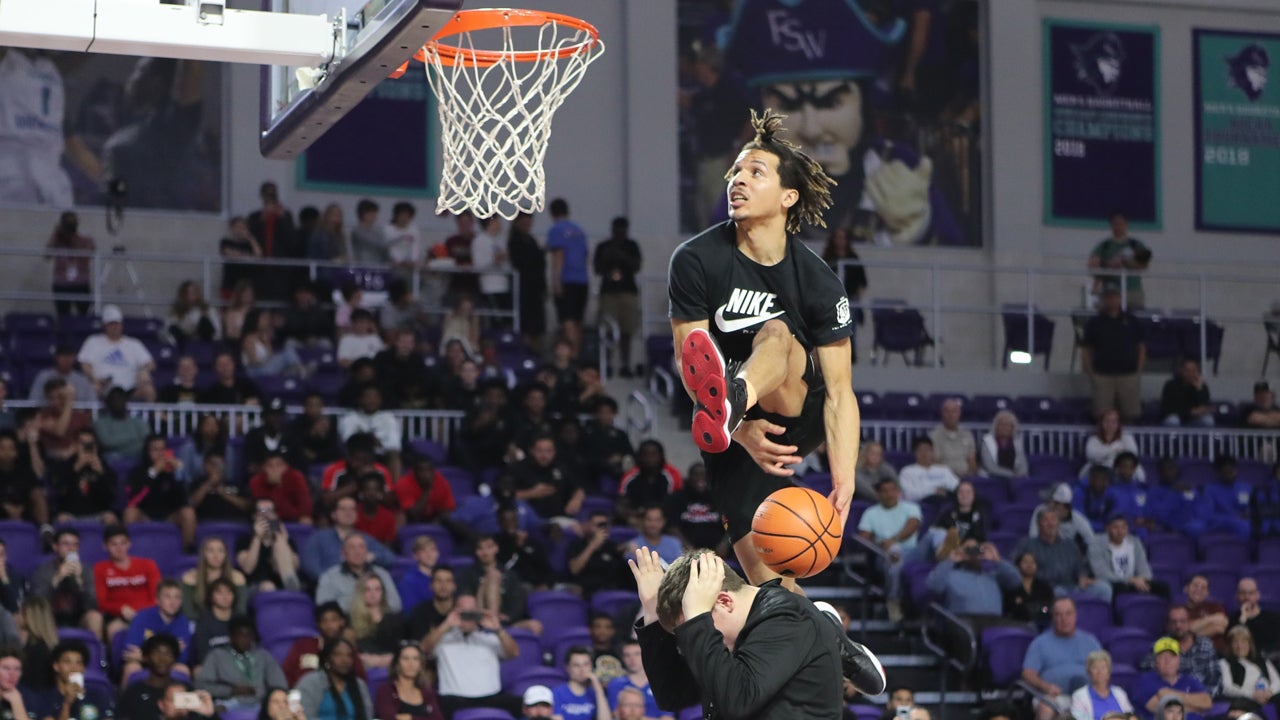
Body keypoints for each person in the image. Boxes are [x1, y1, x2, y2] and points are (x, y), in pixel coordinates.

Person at [668, 108, 859, 590]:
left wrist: (844, 478)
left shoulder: (817, 280)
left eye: (755, 172)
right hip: (732, 430)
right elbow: (689, 359)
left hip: (798, 407)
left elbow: (841, 392)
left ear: (788, 196)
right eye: (735, 171)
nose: (737, 180)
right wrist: (740, 429)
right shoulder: (695, 260)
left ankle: (732, 400)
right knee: (771, 584)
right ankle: (824, 635)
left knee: (776, 332)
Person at [630, 547, 846, 718]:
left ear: (725, 602)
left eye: (700, 622)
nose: (698, 636)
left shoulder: (787, 618)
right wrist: (653, 615)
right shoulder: (736, 631)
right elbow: (673, 695)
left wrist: (698, 619)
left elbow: (737, 702)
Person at [421, 594, 522, 717]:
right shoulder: (443, 640)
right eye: (464, 613)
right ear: (454, 612)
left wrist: (498, 629)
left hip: (490, 697)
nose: (468, 617)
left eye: (472, 613)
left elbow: (514, 653)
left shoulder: (490, 639)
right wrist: (446, 625)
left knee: (520, 703)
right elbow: (423, 649)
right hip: (453, 699)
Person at [1022, 598, 1103, 720]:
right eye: (1058, 614)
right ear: (1053, 618)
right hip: (1054, 697)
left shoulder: (1090, 642)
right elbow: (1028, 674)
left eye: (1068, 614)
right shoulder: (1040, 643)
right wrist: (1046, 687)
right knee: (1046, 707)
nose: (1064, 619)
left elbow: (1104, 670)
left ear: (1075, 616)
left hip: (1087, 696)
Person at [858, 478, 923, 622]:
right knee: (895, 557)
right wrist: (881, 544)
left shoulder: (911, 507)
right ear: (878, 494)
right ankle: (894, 601)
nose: (889, 494)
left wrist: (894, 539)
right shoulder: (871, 513)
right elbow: (863, 538)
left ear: (898, 492)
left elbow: (913, 524)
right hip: (884, 555)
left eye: (893, 490)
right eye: (885, 491)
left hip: (913, 552)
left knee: (936, 534)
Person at [194, 615, 286, 713]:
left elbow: (279, 684)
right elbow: (201, 685)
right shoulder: (217, 656)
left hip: (261, 704)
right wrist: (231, 691)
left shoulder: (263, 655)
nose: (245, 639)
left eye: (248, 635)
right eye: (240, 635)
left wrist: (266, 696)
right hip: (229, 703)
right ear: (231, 637)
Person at [1082, 283, 1145, 423]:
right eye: (1108, 297)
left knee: (1130, 414)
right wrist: (1091, 373)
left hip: (1128, 375)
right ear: (1103, 299)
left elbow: (1141, 347)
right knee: (1102, 415)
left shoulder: (1131, 320)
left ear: (1120, 298)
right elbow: (1086, 350)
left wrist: (1138, 371)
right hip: (1103, 376)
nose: (1111, 300)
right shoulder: (1094, 322)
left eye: (1114, 296)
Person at [1015, 507, 1109, 601]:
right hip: (1046, 589)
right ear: (1039, 524)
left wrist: (1082, 576)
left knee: (1104, 589)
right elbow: (1015, 565)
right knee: (1059, 593)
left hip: (1073, 586)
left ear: (1059, 523)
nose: (1050, 524)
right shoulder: (1027, 544)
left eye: (1053, 519)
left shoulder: (1070, 544)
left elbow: (1081, 566)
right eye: (1045, 520)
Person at [124, 435, 197, 550]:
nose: (160, 454)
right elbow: (134, 500)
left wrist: (178, 473)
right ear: (147, 452)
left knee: (188, 512)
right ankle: (128, 551)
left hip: (169, 515)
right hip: (145, 514)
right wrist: (153, 473)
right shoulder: (138, 471)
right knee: (130, 512)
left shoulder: (172, 471)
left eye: (162, 449)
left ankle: (188, 551)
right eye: (155, 450)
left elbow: (184, 500)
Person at [94, 523, 162, 642]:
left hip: (148, 616)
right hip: (118, 618)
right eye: (114, 544)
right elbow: (101, 602)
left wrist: (141, 613)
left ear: (129, 544)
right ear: (105, 546)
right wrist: (119, 609)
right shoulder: (100, 569)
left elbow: (158, 596)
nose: (119, 548)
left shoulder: (148, 565)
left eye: (123, 543)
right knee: (114, 629)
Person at [300, 497, 396, 580]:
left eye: (352, 509)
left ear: (357, 516)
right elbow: (309, 565)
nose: (348, 513)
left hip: (360, 588)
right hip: (328, 587)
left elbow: (390, 557)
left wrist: (373, 556)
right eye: (343, 509)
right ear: (334, 515)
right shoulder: (318, 538)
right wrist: (329, 580)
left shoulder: (365, 539)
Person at [594, 216, 643, 376]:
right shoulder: (604, 246)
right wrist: (609, 255)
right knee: (607, 330)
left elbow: (637, 266)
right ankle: (606, 364)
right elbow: (597, 269)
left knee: (627, 330)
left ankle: (625, 364)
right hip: (608, 292)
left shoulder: (631, 246)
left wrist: (622, 256)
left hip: (628, 291)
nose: (619, 233)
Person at [30, 528, 102, 636]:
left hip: (78, 618)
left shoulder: (85, 570)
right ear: (55, 546)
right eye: (66, 544)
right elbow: (37, 604)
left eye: (75, 545)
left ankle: (95, 647)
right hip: (50, 618)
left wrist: (79, 581)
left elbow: (93, 605)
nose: (71, 549)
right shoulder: (43, 570)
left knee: (95, 617)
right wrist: (57, 578)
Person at [121, 580, 193, 683]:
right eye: (167, 597)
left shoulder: (183, 622)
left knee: (182, 669)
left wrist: (144, 655)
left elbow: (183, 657)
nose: (173, 602)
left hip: (165, 665)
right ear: (157, 600)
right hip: (143, 665)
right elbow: (129, 652)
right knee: (131, 668)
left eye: (177, 597)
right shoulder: (142, 616)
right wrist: (167, 655)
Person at [78, 304, 156, 399]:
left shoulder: (134, 343)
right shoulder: (93, 341)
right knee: (92, 389)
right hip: (104, 387)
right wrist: (94, 378)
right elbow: (85, 364)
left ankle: (155, 409)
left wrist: (144, 371)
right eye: (111, 324)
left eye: (117, 323)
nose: (114, 327)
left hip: (130, 388)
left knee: (148, 389)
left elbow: (150, 363)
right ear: (105, 325)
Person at [281, 603, 367, 687]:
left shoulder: (347, 648)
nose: (329, 625)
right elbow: (286, 673)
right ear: (318, 624)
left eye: (334, 620)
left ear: (342, 622)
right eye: (324, 620)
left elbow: (360, 678)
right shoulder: (303, 645)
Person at [27, 639, 115, 720]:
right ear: (56, 666)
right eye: (67, 662)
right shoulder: (45, 697)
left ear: (84, 668)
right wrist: (67, 704)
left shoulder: (98, 694)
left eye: (79, 663)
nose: (74, 668)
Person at [314, 534, 401, 613]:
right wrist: (362, 604)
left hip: (380, 620)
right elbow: (324, 607)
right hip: (347, 622)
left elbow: (396, 605)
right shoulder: (329, 577)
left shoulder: (382, 574)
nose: (357, 551)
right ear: (343, 553)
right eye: (352, 547)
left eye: (361, 547)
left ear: (367, 551)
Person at [546, 198, 589, 355]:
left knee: (567, 320)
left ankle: (571, 356)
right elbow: (585, 255)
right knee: (577, 321)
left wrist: (557, 282)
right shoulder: (579, 231)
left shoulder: (556, 230)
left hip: (567, 279)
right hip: (582, 280)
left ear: (552, 213)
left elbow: (559, 255)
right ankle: (576, 352)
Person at [1088, 515, 1167, 600]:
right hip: (1114, 582)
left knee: (1163, 587)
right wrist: (1129, 580)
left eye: (1123, 527)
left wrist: (1143, 579)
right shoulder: (1097, 544)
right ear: (1107, 528)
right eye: (1115, 527)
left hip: (1135, 581)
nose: (1120, 531)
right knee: (1119, 587)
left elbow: (1143, 566)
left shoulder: (1135, 542)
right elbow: (1102, 574)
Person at [1132, 637, 1212, 720]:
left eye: (1172, 656)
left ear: (1178, 660)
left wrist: (1171, 694)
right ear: (1156, 661)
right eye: (1162, 657)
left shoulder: (1190, 680)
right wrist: (1196, 707)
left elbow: (1207, 702)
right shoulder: (1145, 680)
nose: (1168, 661)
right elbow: (1159, 709)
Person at [1087, 210, 1152, 310]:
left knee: (1135, 318)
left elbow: (1144, 265)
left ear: (1126, 224)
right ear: (1111, 225)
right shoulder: (1104, 246)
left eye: (1121, 223)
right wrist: (1109, 264)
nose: (1118, 227)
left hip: (1133, 292)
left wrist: (1125, 262)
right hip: (1111, 293)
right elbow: (1092, 265)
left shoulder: (1135, 244)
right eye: (1115, 224)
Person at [294, 639, 372, 720]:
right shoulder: (311, 683)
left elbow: (367, 716)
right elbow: (304, 716)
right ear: (327, 658)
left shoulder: (360, 685)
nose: (345, 660)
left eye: (349, 655)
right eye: (338, 654)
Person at [235, 499, 302, 593]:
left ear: (276, 515)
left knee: (279, 545)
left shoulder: (286, 540)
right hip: (254, 587)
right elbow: (247, 569)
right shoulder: (244, 540)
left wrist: (283, 542)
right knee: (268, 587)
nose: (266, 515)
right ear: (254, 516)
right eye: (261, 511)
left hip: (283, 587)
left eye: (270, 511)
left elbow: (294, 568)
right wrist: (257, 538)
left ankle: (291, 591)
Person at [117, 632, 187, 718]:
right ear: (146, 657)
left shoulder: (184, 690)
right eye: (156, 653)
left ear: (174, 658)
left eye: (168, 654)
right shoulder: (133, 693)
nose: (162, 659)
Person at [348, 572, 406, 670]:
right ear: (361, 592)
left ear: (383, 592)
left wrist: (382, 660)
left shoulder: (395, 619)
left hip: (391, 666)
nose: (373, 594)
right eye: (367, 589)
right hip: (363, 667)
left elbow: (401, 648)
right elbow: (349, 650)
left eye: (377, 589)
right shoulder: (351, 620)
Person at [1218, 625, 1280, 716]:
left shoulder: (1262, 661)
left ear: (1249, 644)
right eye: (1235, 642)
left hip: (1269, 695)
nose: (1239, 646)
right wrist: (1252, 694)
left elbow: (1277, 682)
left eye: (1243, 641)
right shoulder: (1224, 663)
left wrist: (1270, 692)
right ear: (1230, 645)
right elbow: (1227, 688)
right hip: (1245, 698)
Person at [507, 212, 547, 352]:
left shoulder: (531, 240)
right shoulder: (515, 241)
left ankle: (535, 354)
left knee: (537, 328)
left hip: (536, 289)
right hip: (524, 289)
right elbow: (521, 262)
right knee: (526, 326)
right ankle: (525, 353)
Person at [373, 644, 443, 720]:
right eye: (405, 658)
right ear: (397, 663)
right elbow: (388, 717)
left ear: (421, 664)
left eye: (416, 659)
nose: (411, 664)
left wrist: (410, 718)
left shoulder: (427, 693)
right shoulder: (386, 690)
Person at [605, 641, 671, 720]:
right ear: (623, 658)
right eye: (627, 655)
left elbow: (668, 717)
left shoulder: (660, 685)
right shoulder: (615, 685)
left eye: (637, 654)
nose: (632, 659)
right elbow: (615, 715)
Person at [46, 211, 95, 317]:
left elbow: (88, 255)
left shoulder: (85, 240)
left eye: (72, 223)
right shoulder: (58, 240)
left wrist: (72, 238)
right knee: (63, 316)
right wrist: (56, 234)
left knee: (84, 315)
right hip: (61, 284)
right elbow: (47, 255)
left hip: (81, 283)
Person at [248, 451, 313, 525]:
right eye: (270, 465)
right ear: (264, 468)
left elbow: (305, 508)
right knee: (263, 515)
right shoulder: (256, 481)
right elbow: (262, 509)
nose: (274, 469)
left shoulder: (296, 477)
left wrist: (279, 486)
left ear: (286, 466)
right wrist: (276, 486)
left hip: (293, 518)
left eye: (278, 465)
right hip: (268, 521)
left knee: (306, 520)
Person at [1070, 650, 1134, 720]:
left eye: (1103, 667)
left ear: (1109, 671)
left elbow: (1130, 716)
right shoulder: (1079, 696)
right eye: (1095, 668)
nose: (1099, 672)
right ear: (1089, 672)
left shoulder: (1119, 692)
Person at [190, 577, 236, 670]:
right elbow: (202, 654)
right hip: (212, 667)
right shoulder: (204, 621)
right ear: (211, 596)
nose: (225, 597)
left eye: (229, 592)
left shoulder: (240, 620)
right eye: (220, 593)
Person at [551, 647, 610, 720]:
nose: (582, 669)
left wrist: (597, 688)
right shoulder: (556, 693)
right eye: (576, 665)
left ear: (591, 666)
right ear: (568, 668)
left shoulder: (594, 693)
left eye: (586, 664)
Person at [897, 436, 960, 502]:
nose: (924, 453)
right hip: (921, 504)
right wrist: (933, 491)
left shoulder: (944, 470)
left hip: (945, 502)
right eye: (921, 450)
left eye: (927, 450)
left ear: (933, 451)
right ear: (915, 452)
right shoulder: (907, 471)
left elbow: (957, 487)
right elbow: (908, 494)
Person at [26, 345, 95, 404]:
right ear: (56, 357)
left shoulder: (82, 380)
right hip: (49, 414)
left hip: (76, 414)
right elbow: (33, 402)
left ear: (74, 357)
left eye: (69, 356)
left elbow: (92, 404)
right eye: (63, 356)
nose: (66, 359)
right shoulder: (44, 377)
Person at [929, 398, 977, 477]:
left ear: (959, 414)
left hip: (967, 477)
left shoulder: (967, 434)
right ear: (942, 414)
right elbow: (935, 462)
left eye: (954, 411)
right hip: (945, 477)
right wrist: (953, 476)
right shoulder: (934, 436)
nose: (951, 415)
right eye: (947, 411)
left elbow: (972, 460)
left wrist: (970, 476)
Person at [1160, 360, 1215, 428]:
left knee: (1208, 420)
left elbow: (1205, 405)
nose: (1191, 373)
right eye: (1187, 370)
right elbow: (1168, 408)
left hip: (1193, 420)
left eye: (1194, 370)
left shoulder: (1202, 386)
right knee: (1173, 420)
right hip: (1176, 418)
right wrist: (1190, 412)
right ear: (1181, 371)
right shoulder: (1171, 385)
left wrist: (1199, 390)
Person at [1233, 578, 1280, 655]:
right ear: (1237, 595)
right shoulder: (1233, 620)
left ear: (1258, 595)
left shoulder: (1274, 619)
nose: (1247, 597)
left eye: (1251, 593)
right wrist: (1242, 620)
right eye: (1243, 593)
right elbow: (1235, 644)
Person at [168, 280, 222, 346]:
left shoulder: (208, 310)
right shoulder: (176, 312)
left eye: (195, 292)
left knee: (204, 321)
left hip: (205, 342)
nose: (193, 295)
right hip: (185, 343)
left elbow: (217, 332)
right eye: (189, 293)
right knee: (173, 328)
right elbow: (170, 327)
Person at [980, 410, 1029, 478]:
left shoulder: (1017, 442)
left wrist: (1019, 475)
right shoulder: (987, 441)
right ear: (996, 426)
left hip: (1014, 478)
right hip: (992, 477)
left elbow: (1023, 465)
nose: (1005, 427)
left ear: (1013, 428)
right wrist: (1011, 475)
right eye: (1002, 424)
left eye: (1008, 425)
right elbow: (990, 466)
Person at [0, 647, 31, 720]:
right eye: (6, 668)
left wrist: (17, 703)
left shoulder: (26, 696)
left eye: (17, 669)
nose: (12, 674)